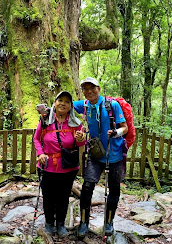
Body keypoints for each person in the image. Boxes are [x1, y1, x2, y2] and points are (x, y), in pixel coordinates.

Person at [73, 77, 128, 237]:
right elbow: (66, 105)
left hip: (115, 154)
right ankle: (84, 223)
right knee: (87, 186)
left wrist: (116, 132)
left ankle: (109, 222)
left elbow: (124, 127)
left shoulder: (112, 105)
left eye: (92, 88)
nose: (89, 91)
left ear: (99, 88)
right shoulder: (84, 105)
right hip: (96, 154)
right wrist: (48, 110)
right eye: (85, 89)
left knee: (114, 189)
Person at [33, 90, 86, 236]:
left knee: (63, 197)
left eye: (67, 102)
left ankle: (61, 224)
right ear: (55, 104)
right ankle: (49, 223)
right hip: (47, 166)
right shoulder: (45, 121)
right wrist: (40, 153)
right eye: (60, 100)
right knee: (48, 196)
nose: (63, 103)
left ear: (71, 106)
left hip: (67, 168)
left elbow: (82, 143)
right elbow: (36, 139)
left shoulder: (76, 123)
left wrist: (81, 138)